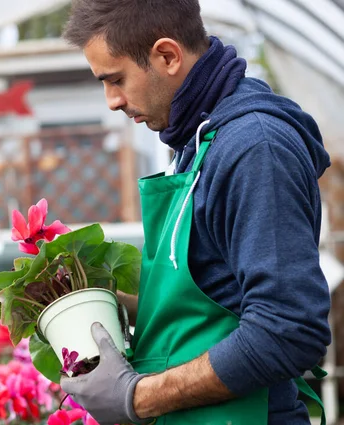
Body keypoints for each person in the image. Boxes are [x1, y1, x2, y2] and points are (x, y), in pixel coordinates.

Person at [59, 1, 332, 424]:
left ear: (167, 56)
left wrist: (139, 397)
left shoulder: (254, 147)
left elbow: (288, 329)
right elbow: (213, 299)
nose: (112, 101)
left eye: (116, 80)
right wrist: (97, 304)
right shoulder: (199, 138)